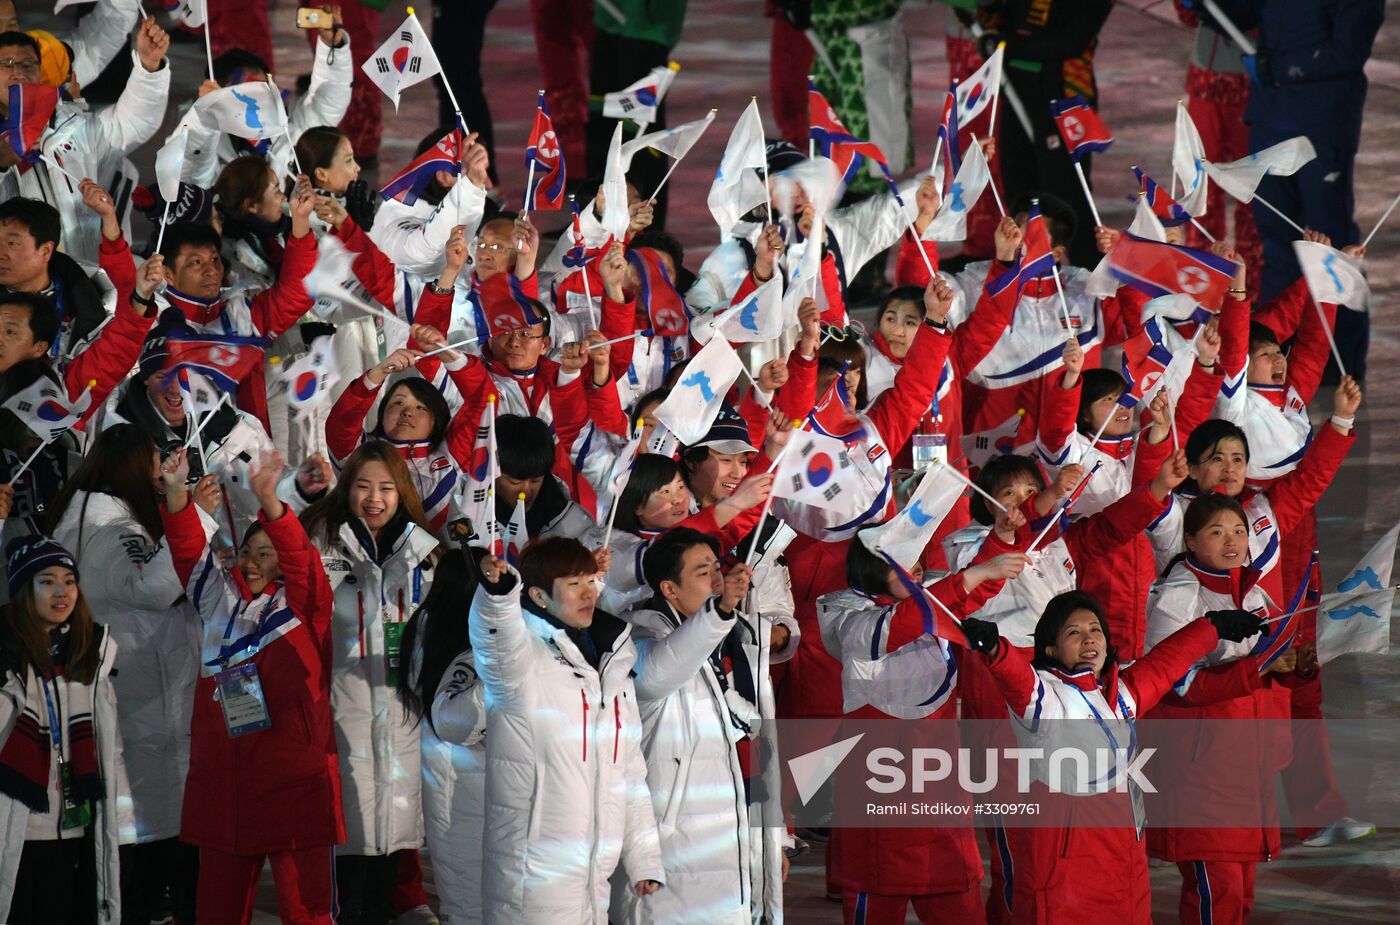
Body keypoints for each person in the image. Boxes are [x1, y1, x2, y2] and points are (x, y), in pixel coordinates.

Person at [959, 590, 1265, 924]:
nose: (1088, 638)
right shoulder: (1043, 698)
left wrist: (1212, 627)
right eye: (1073, 633)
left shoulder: (1120, 695)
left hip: (1125, 869)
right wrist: (995, 649)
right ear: (1050, 649)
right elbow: (1016, 678)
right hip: (1066, 880)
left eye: (1095, 630)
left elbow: (1164, 665)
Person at [160, 446, 343, 925]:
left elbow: (303, 561)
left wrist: (270, 499)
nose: (254, 561)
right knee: (216, 913)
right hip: (224, 785)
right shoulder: (216, 601)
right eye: (247, 551)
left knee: (307, 913)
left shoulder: (305, 605)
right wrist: (178, 493)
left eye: (268, 552)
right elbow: (187, 555)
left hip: (293, 783)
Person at [816, 534, 1028, 925]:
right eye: (902, 561)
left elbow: (968, 593)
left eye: (916, 560)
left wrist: (1002, 538)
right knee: (877, 895)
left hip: (939, 784)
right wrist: (977, 572)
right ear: (872, 568)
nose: (916, 568)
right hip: (879, 787)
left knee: (958, 898)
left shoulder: (928, 603)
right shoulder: (846, 615)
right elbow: (906, 623)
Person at [48, 424, 211, 924]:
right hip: (138, 709)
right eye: (152, 466)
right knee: (140, 861)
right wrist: (194, 510)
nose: (159, 477)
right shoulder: (112, 530)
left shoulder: (86, 521)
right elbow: (156, 587)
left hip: (127, 701)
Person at [469, 537, 665, 923]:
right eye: (573, 584)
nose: (588, 592)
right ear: (539, 596)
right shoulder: (523, 662)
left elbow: (630, 775)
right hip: (531, 878)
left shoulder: (612, 670)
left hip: (596, 878)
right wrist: (497, 597)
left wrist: (644, 859)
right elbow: (496, 643)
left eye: (591, 580)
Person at [1142, 494, 1310, 925]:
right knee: (1218, 893)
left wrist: (1293, 668)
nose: (1232, 540)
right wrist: (1255, 668)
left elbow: (1262, 667)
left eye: (1238, 530)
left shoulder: (1250, 590)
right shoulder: (1176, 596)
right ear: (1192, 541)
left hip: (1243, 765)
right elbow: (1177, 683)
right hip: (1199, 770)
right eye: (1217, 532)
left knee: (1240, 893)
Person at [299, 441, 438, 924]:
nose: (374, 499)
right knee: (346, 837)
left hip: (401, 715)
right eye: (362, 486)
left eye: (386, 488)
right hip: (340, 708)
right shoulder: (321, 540)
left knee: (391, 835)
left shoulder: (422, 550)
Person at [1210, 0, 1385, 377]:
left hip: (1322, 122)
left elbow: (1348, 50)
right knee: (1278, 242)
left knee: (1328, 246)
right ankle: (1280, 356)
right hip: (1271, 118)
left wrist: (1285, 67)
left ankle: (1338, 363)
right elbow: (1244, 16)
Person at [611, 528, 760, 924]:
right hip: (669, 852)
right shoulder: (639, 635)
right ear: (669, 589)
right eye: (701, 572)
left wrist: (769, 843)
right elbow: (657, 672)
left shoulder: (719, 637)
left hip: (723, 848)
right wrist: (721, 613)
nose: (717, 579)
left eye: (717, 567)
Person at [0, 535, 131, 924]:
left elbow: (110, 749)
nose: (62, 592)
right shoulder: (6, 656)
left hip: (75, 830)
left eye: (69, 581)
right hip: (14, 831)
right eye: (47, 581)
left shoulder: (91, 654)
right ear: (25, 590)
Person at [0, 22, 172, 267]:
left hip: (83, 277)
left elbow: (131, 124)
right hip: (18, 292)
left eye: (28, 64)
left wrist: (148, 66)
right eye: (6, 64)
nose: (18, 71)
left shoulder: (72, 125)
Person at [153, 181, 318, 429]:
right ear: (168, 273)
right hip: (181, 459)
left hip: (253, 455)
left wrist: (301, 224)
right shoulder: (151, 325)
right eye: (195, 262)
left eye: (214, 259)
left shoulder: (241, 312)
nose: (210, 270)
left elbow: (298, 294)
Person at [977, 0, 1114, 269]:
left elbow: (1071, 41)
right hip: (1017, 91)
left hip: (1062, 99)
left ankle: (1093, 279)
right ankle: (1025, 276)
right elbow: (1007, 19)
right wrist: (987, 14)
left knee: (1066, 195)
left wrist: (1006, 44)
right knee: (1019, 189)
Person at [397, 546, 488, 925]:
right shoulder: (434, 627)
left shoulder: (448, 624)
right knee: (466, 888)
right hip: (453, 770)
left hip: (476, 771)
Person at [180, 10, 352, 189]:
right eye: (246, 93)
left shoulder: (294, 129)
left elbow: (327, 101)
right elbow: (194, 178)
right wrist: (203, 123)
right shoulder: (204, 142)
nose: (260, 101)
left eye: (264, 87)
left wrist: (333, 48)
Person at [1, 0, 141, 89]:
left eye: (12, 25)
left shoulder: (42, 63)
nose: (5, 35)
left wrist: (151, 69)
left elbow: (91, 49)